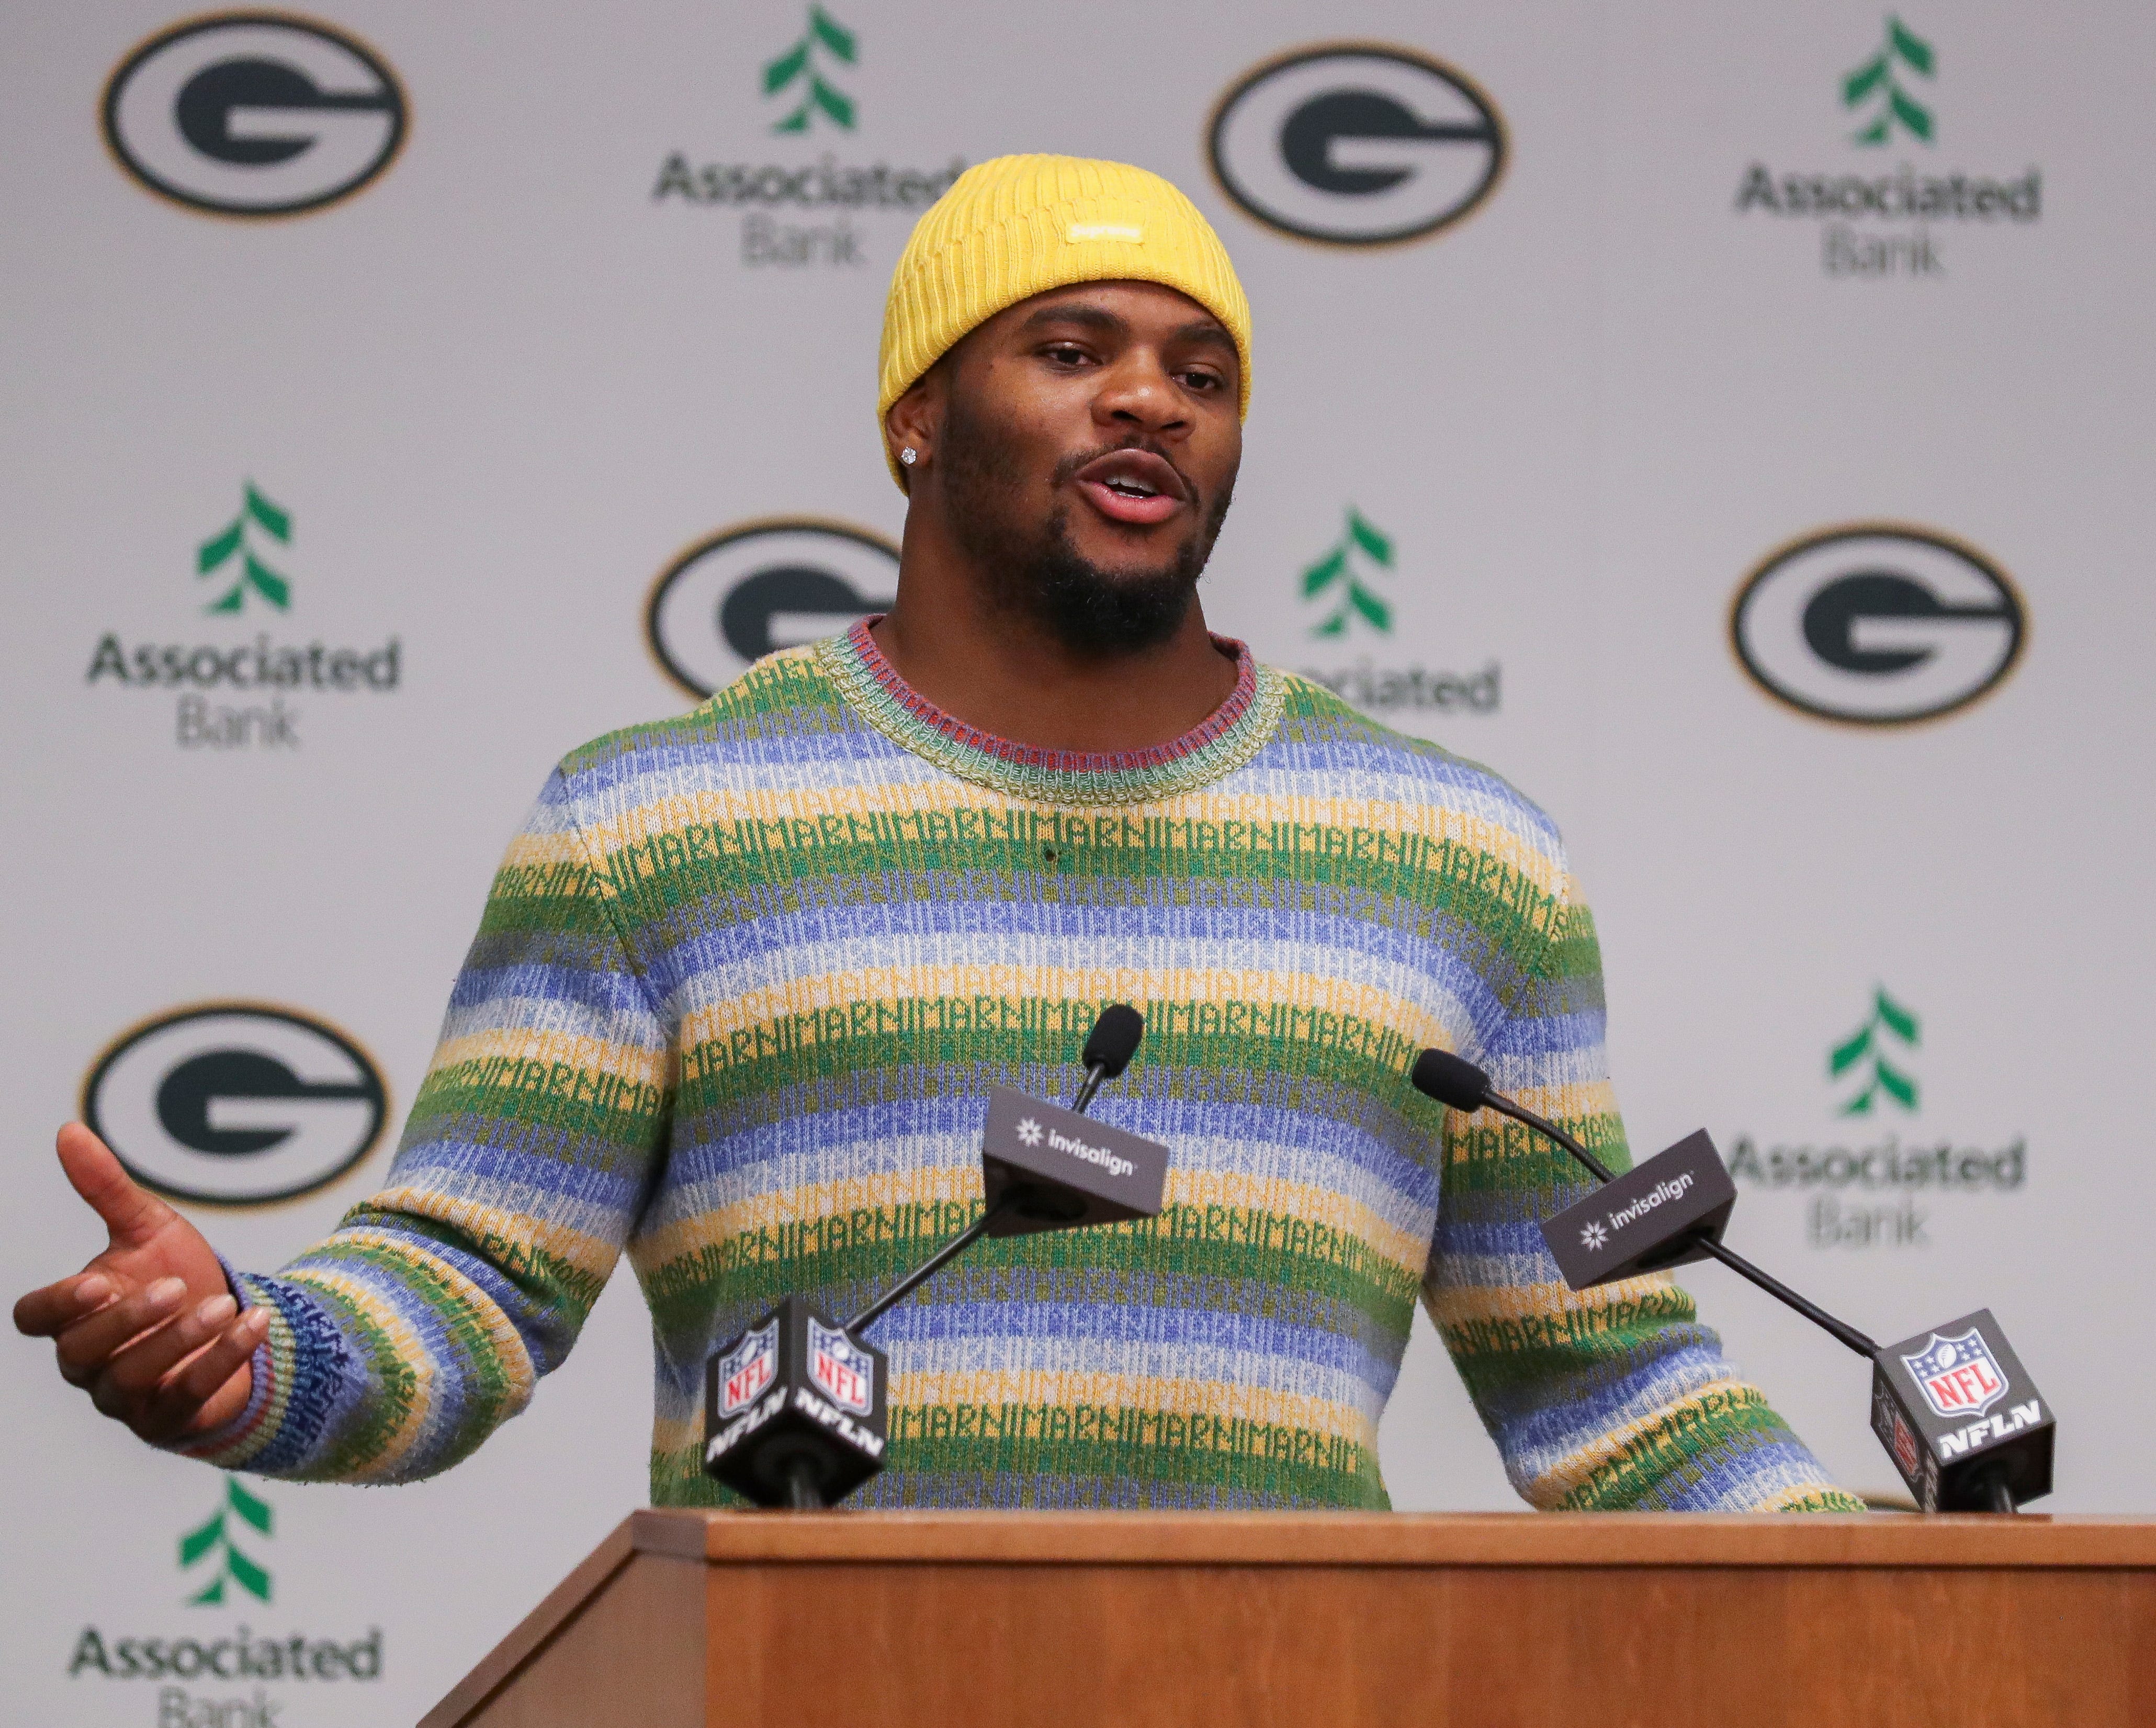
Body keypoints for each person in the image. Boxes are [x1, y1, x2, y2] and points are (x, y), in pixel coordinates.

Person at [14, 155, 1861, 1512]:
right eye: (1070, 347)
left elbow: (1605, 1372)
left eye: (1201, 375)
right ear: (915, 415)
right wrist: (253, 1357)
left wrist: (1877, 1573)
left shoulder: (1458, 859)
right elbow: (468, 1285)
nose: (1148, 395)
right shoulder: (659, 824)